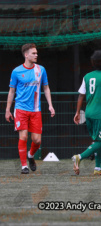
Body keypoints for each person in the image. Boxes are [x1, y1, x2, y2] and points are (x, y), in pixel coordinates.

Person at [5, 43, 55, 174]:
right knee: (23, 136)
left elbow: (46, 87)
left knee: (37, 140)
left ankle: (31, 155)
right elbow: (11, 91)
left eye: (37, 53)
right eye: (34, 53)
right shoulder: (16, 71)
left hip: (35, 110)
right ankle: (23, 166)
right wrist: (7, 109)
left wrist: (50, 105)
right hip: (20, 109)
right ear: (26, 55)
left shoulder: (41, 70)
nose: (36, 55)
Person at [72, 50, 101, 175]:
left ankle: (98, 168)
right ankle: (79, 157)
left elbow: (81, 96)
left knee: (97, 140)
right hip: (99, 114)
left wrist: (77, 112)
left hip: (88, 113)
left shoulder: (87, 76)